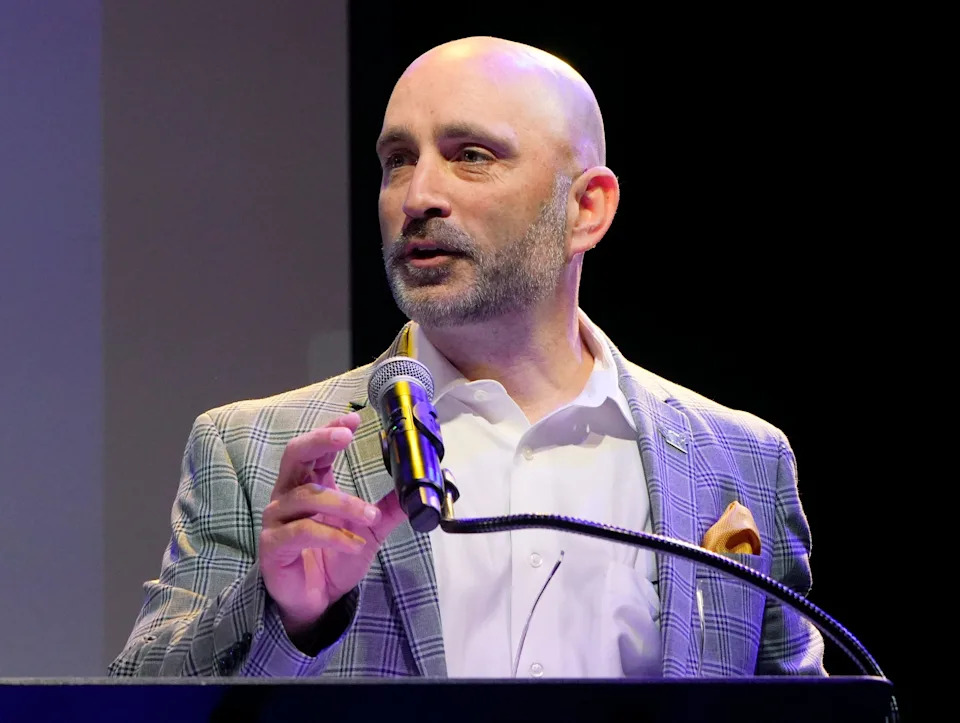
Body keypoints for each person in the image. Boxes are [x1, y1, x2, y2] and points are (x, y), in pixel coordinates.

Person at [108, 36, 825, 678]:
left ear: (587, 209)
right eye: (397, 161)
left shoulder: (739, 459)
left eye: (470, 156)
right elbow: (135, 701)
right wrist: (288, 616)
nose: (417, 195)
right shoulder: (250, 448)